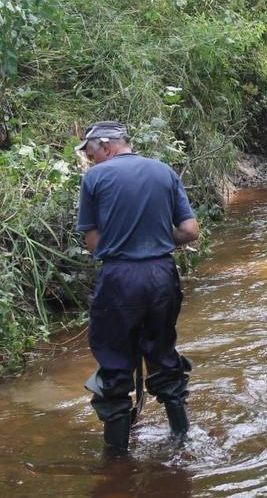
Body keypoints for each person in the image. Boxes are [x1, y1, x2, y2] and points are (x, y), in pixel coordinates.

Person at [75, 121, 200, 454]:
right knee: (162, 352)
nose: (91, 160)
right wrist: (157, 238)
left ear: (105, 145)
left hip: (120, 279)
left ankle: (116, 460)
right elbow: (189, 230)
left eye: (91, 153)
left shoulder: (95, 179)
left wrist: (121, 244)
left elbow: (91, 241)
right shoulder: (164, 171)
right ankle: (182, 437)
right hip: (162, 275)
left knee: (116, 361)